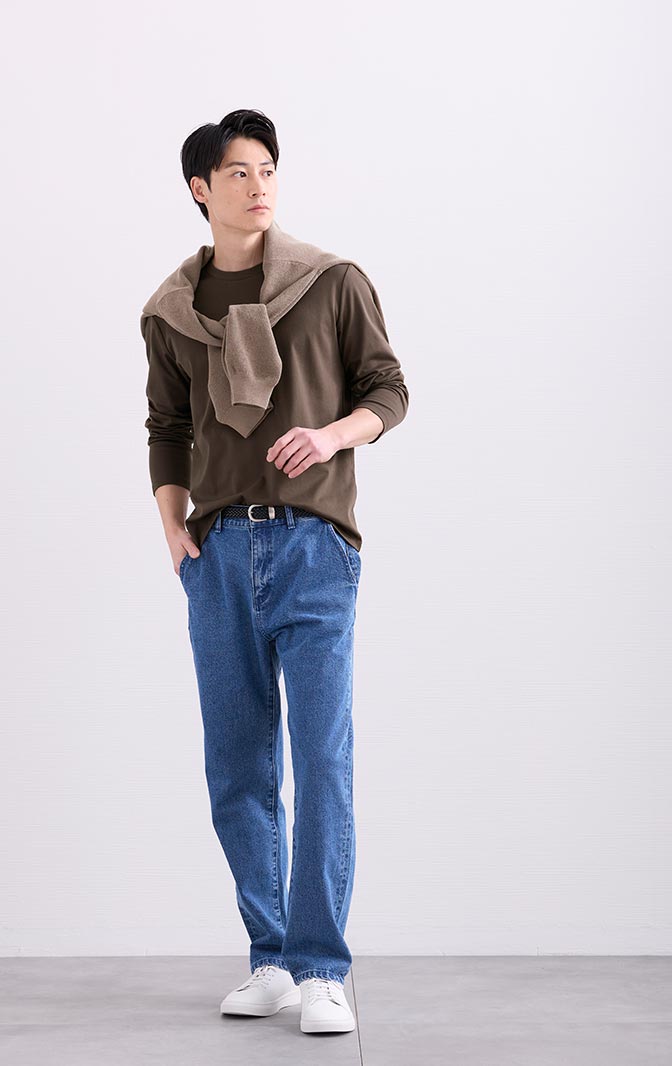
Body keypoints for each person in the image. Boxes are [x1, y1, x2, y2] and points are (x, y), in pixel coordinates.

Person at [141, 108, 409, 1035]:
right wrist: (173, 527)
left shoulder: (331, 283)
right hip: (217, 554)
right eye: (239, 172)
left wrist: (331, 436)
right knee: (236, 765)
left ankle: (322, 966)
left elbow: (389, 390)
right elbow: (166, 426)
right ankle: (271, 957)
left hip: (314, 546)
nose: (259, 186)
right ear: (200, 189)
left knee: (321, 759)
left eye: (268, 170)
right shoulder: (170, 312)